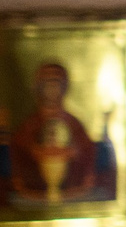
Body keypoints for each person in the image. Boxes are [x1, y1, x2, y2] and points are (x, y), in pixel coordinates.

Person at [5, 61, 114, 206]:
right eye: (47, 84)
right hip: (33, 192)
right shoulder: (29, 125)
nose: (52, 89)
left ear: (64, 87)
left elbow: (86, 150)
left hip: (73, 193)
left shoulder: (73, 124)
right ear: (39, 87)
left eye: (56, 84)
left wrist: (72, 152)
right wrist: (36, 151)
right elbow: (19, 148)